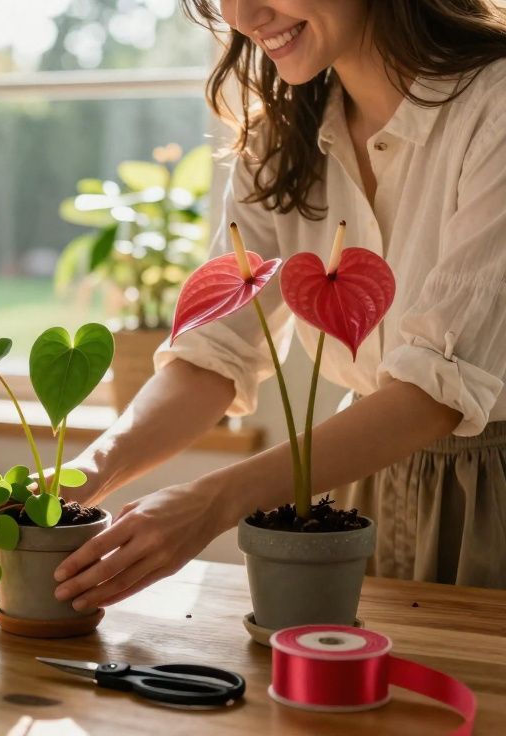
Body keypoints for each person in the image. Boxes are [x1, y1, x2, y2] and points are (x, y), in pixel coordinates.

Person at [50, 0, 506, 611]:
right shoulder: (282, 138)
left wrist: (213, 501)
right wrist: (85, 473)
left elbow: (435, 394)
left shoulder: (494, 107)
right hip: (357, 487)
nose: (241, 15)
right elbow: (216, 350)